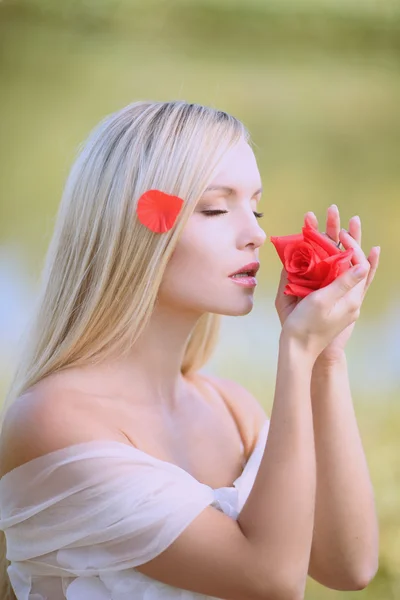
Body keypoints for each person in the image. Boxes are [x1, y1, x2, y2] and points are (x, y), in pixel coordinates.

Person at [0, 100, 380, 600]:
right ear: (134, 228)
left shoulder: (231, 409)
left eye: (256, 206)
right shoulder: (53, 422)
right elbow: (271, 582)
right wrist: (296, 353)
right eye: (215, 209)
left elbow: (347, 565)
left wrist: (326, 361)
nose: (257, 234)